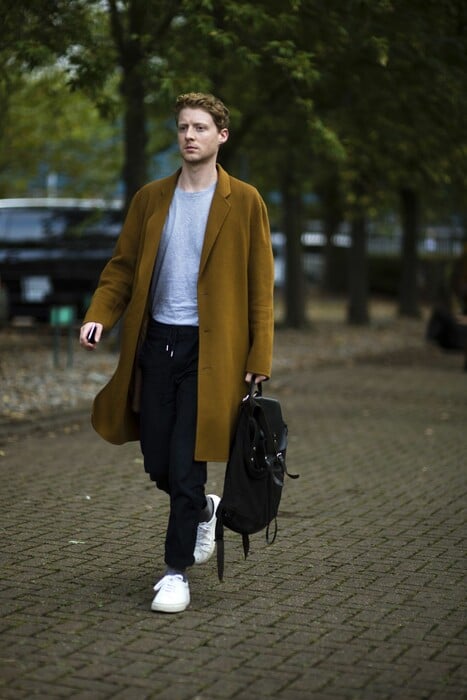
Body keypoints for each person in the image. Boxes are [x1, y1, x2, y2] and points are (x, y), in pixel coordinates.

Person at [79, 92, 275, 613]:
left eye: (200, 127)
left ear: (221, 136)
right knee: (159, 462)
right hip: (156, 346)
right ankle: (204, 511)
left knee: (186, 465)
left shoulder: (245, 201)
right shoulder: (150, 198)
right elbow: (122, 268)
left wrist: (260, 357)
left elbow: (261, 287)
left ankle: (175, 572)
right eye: (184, 127)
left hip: (211, 353)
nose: (190, 135)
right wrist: (100, 314)